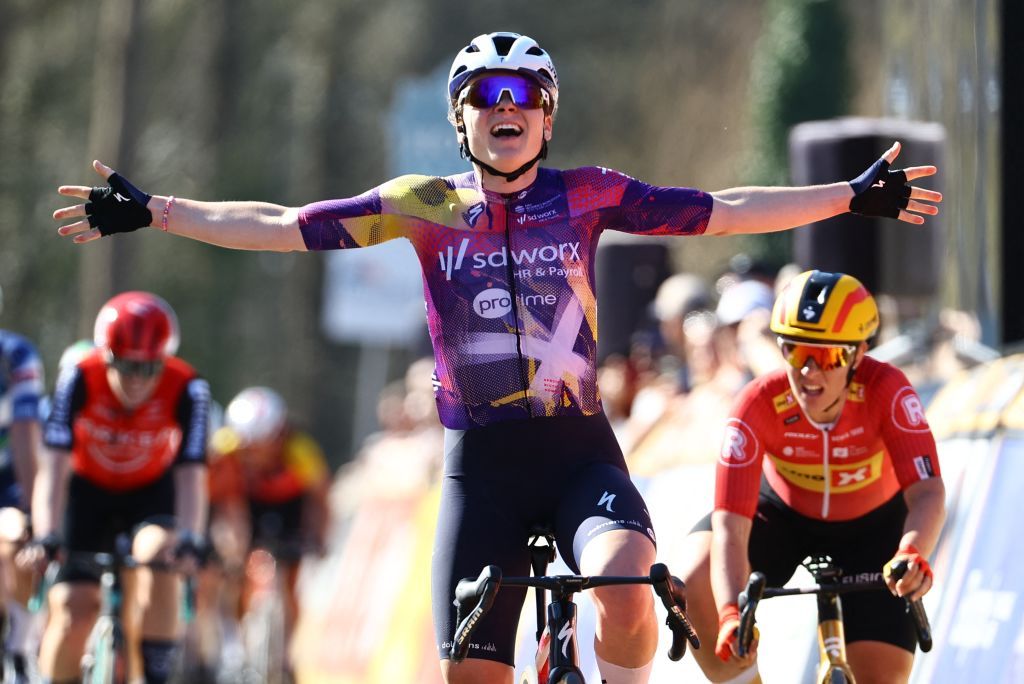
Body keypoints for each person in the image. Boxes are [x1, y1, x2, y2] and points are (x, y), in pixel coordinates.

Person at [50, 31, 941, 684]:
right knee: (473, 672)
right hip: (481, 464)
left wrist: (850, 197)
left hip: (579, 451)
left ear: (547, 117)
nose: (504, 109)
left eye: (523, 96)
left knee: (629, 591)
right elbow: (283, 228)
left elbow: (724, 206)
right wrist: (159, 210)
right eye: (485, 96)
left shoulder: (588, 196)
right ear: (462, 118)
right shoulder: (423, 203)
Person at [678, 270, 946, 684]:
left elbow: (927, 491)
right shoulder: (757, 403)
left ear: (858, 354)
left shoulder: (888, 389)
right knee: (695, 577)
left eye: (825, 357)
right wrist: (731, 613)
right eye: (794, 352)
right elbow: (730, 523)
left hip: (872, 529)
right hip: (784, 514)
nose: (808, 373)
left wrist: (913, 552)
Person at [20, 291, 210, 684]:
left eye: (150, 368)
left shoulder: (189, 386)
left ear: (165, 359)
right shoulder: (77, 375)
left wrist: (191, 536)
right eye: (125, 366)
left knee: (161, 553)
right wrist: (46, 534)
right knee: (74, 609)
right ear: (106, 356)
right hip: (86, 492)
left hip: (149, 493)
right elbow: (53, 466)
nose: (138, 381)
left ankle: (155, 674)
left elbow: (192, 473)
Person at [203, 386, 329, 679]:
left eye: (262, 445)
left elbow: (320, 500)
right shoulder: (226, 446)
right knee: (235, 566)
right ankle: (236, 639)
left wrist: (318, 537)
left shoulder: (300, 450)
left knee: (292, 582)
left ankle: (285, 651)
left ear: (278, 434)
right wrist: (229, 543)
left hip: (291, 509)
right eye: (248, 446)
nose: (254, 454)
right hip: (247, 505)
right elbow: (223, 500)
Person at [0, 286, 46, 676]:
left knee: (13, 541)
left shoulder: (16, 355)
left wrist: (35, 512)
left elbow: (25, 440)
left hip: (8, 483)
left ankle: (19, 648)